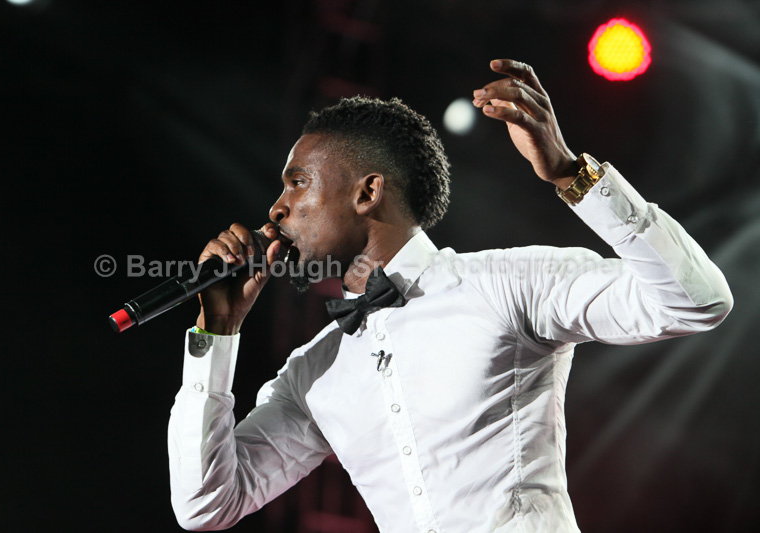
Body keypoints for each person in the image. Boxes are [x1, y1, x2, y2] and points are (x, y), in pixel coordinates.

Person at [167, 60, 732, 532]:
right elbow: (206, 506)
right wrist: (217, 335)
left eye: (297, 183)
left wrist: (570, 174)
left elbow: (696, 300)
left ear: (367, 192)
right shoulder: (313, 373)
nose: (277, 208)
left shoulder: (507, 284)